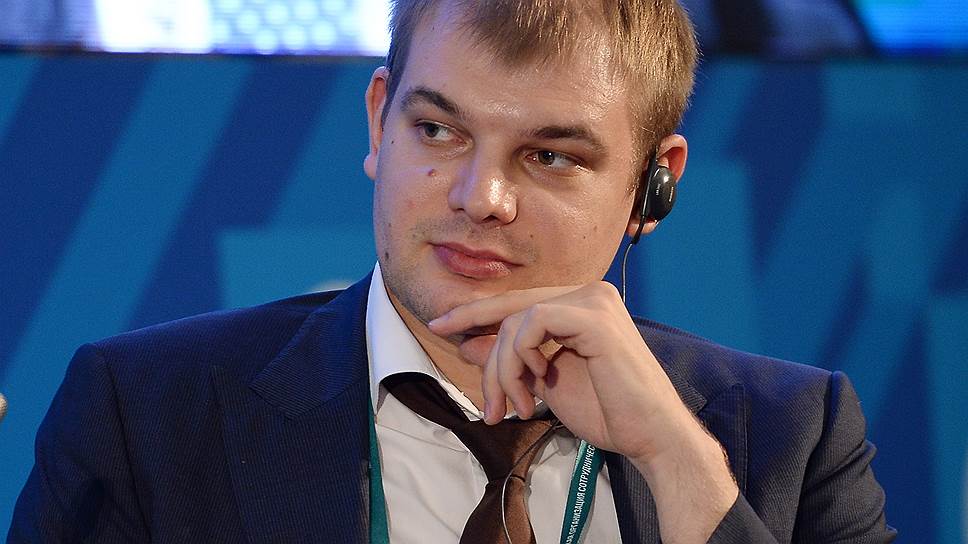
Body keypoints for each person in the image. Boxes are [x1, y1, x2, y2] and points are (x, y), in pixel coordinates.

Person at [9, 0, 895, 542]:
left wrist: (677, 462)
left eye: (550, 156)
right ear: (378, 122)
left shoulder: (791, 438)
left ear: (652, 186)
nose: (481, 197)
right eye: (438, 131)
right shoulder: (148, 414)